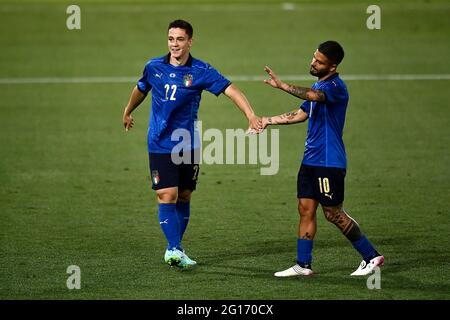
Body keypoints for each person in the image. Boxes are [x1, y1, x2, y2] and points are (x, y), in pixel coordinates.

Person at [122, 19, 261, 269]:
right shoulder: (153, 66)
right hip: (160, 142)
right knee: (167, 194)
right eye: (171, 39)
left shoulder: (201, 71)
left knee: (184, 195)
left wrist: (250, 115)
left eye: (180, 39)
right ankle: (174, 249)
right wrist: (128, 110)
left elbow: (231, 90)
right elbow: (141, 88)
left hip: (187, 143)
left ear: (190, 41)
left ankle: (175, 246)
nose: (174, 44)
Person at [260, 41, 384, 277]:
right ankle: (303, 265)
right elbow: (301, 113)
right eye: (313, 58)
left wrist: (282, 85)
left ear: (333, 66)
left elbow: (314, 96)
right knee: (305, 209)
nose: (313, 63)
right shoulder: (321, 84)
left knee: (333, 213)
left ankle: (371, 256)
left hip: (329, 162)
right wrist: (267, 120)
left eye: (319, 62)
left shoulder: (336, 87)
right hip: (310, 161)